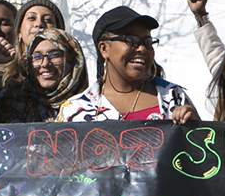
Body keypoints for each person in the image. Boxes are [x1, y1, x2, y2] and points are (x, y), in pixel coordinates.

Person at [57, 7, 200, 123]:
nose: (142, 49)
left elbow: (201, 153)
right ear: (104, 49)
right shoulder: (75, 111)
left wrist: (195, 128)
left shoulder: (173, 96)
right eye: (131, 40)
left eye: (148, 42)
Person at [0, 27, 89, 123]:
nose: (45, 63)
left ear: (70, 60)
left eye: (54, 55)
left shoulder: (90, 106)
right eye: (37, 57)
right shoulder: (10, 103)